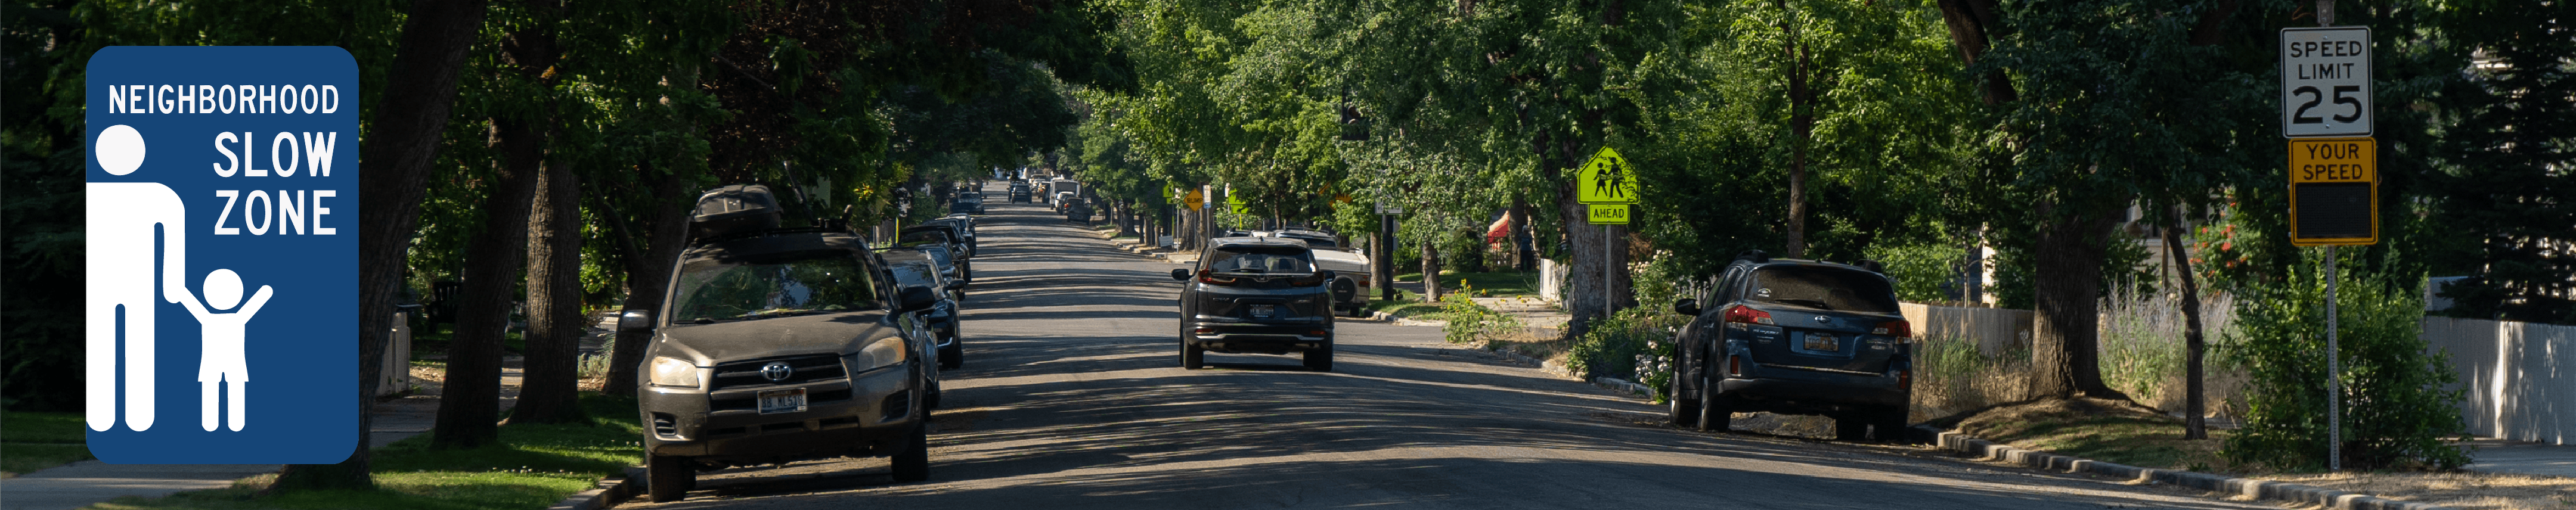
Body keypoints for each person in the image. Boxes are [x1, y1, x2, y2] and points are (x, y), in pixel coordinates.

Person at [173, 269, 273, 432]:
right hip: (219, 365)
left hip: (227, 365)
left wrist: (180, 289)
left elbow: (190, 302)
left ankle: (227, 424)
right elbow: (258, 300)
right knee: (219, 390)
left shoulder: (213, 318)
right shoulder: (230, 319)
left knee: (227, 390)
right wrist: (265, 291)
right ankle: (216, 424)